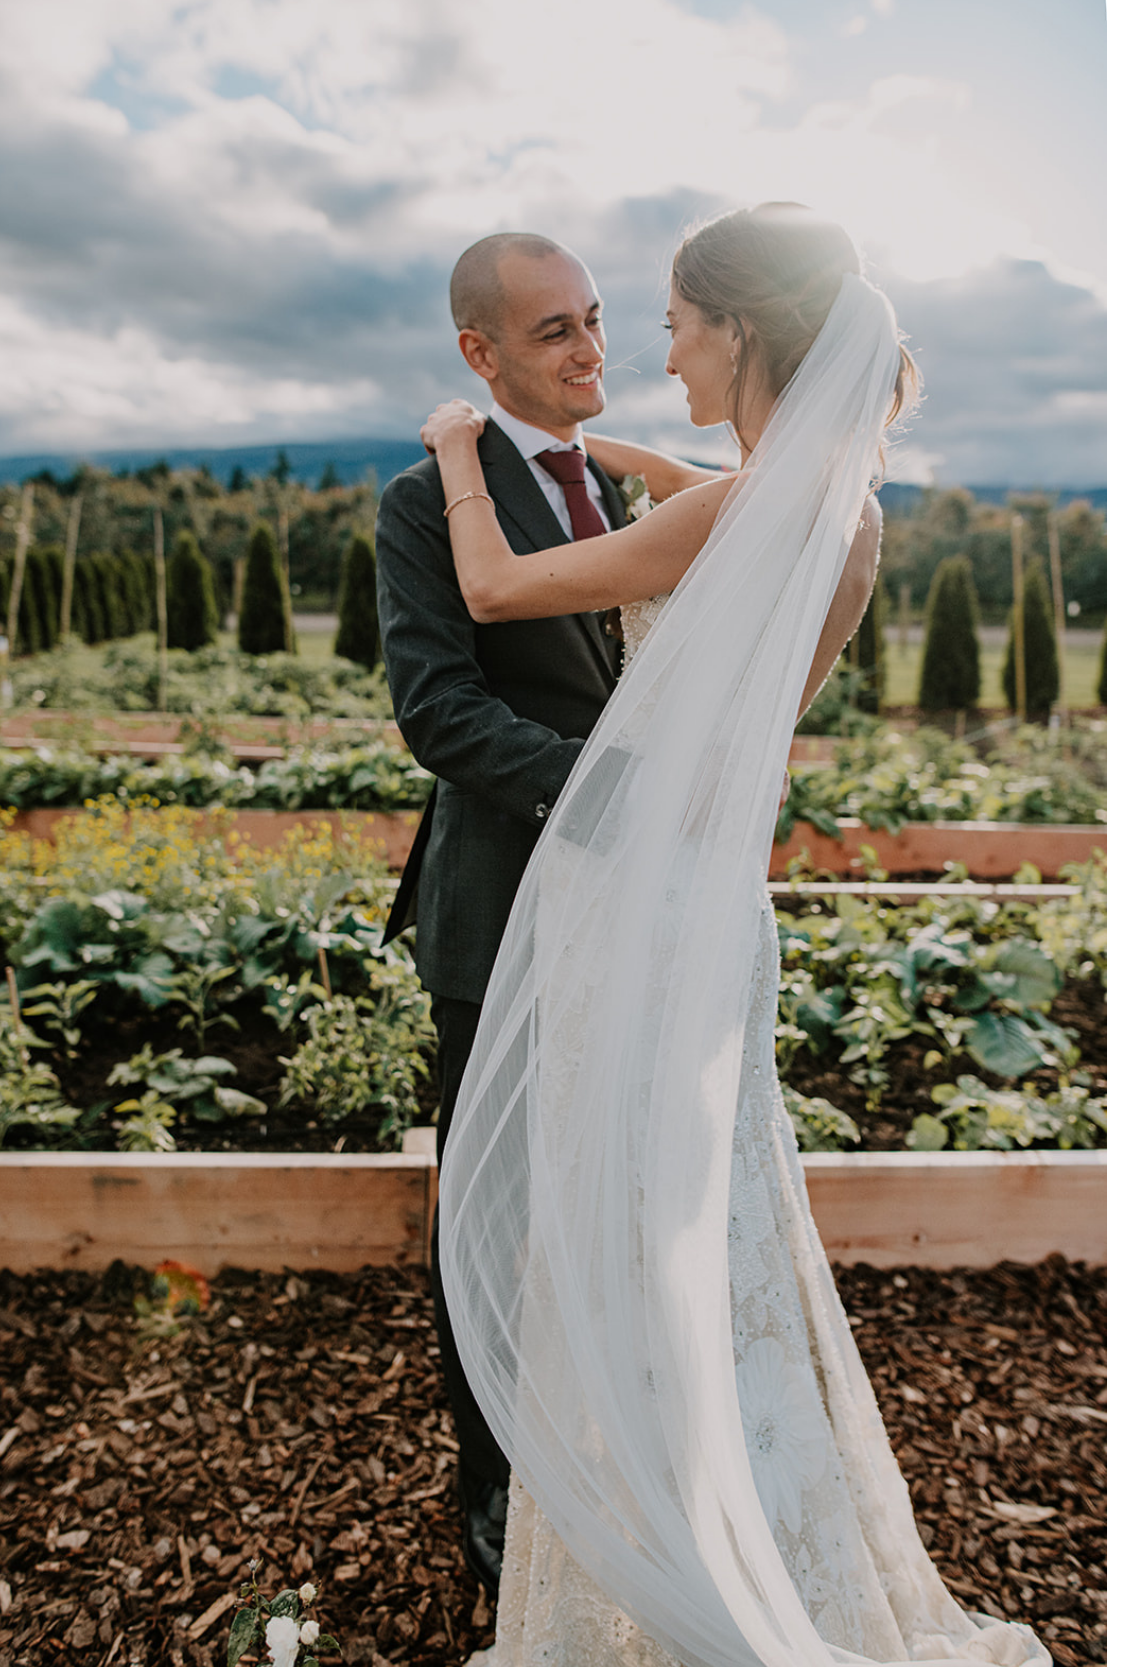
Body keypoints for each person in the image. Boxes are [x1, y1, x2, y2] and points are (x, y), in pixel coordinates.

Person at [417, 204, 1048, 1667]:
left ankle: (657, 1569)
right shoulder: (840, 508)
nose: (661, 350)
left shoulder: (728, 509)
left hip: (630, 899)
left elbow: (497, 591)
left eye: (676, 324)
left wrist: (461, 450)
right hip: (719, 902)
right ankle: (755, 1521)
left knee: (615, 1233)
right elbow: (720, 517)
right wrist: (633, 470)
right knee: (709, 1223)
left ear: (742, 332)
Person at [375, 229, 631, 1599]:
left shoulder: (625, 487)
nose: (591, 350)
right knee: (497, 1213)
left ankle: (610, 1450)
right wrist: (619, 789)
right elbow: (439, 710)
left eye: (594, 320)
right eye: (554, 332)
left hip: (642, 912)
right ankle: (493, 1490)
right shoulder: (427, 503)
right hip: (504, 907)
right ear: (479, 353)